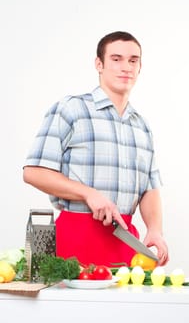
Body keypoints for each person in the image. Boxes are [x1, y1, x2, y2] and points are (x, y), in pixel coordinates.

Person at [23, 31, 169, 267]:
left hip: (126, 246)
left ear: (140, 67)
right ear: (98, 64)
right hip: (73, 245)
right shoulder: (71, 109)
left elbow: (150, 189)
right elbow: (33, 172)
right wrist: (88, 193)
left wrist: (155, 230)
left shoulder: (141, 126)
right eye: (116, 59)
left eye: (133, 60)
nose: (126, 67)